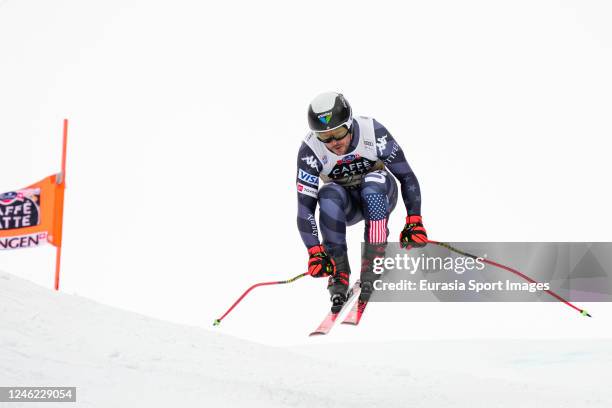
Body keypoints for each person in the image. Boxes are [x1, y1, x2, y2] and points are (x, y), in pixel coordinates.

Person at [296, 92, 427, 312]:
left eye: (338, 132)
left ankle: (374, 260)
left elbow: (406, 176)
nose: (334, 142)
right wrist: (315, 252)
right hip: (348, 207)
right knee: (327, 193)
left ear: (350, 123)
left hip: (381, 196)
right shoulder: (310, 151)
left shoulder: (372, 132)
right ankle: (339, 273)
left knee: (372, 183)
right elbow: (304, 206)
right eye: (325, 137)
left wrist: (414, 220)